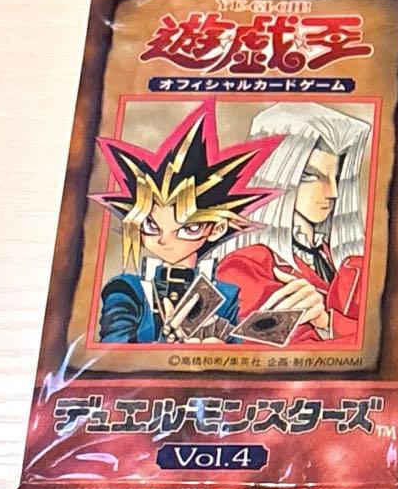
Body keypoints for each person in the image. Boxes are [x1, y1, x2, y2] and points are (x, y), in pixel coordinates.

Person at [92, 102, 281, 344]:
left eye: (188, 228)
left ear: (217, 228)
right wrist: (168, 344)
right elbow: (112, 351)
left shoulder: (226, 294)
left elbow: (242, 351)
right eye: (151, 225)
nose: (164, 239)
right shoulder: (127, 289)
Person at [217, 103, 371, 344]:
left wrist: (326, 322)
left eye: (336, 177)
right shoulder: (248, 265)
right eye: (311, 176)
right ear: (279, 175)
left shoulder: (346, 259)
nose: (332, 192)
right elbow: (280, 355)